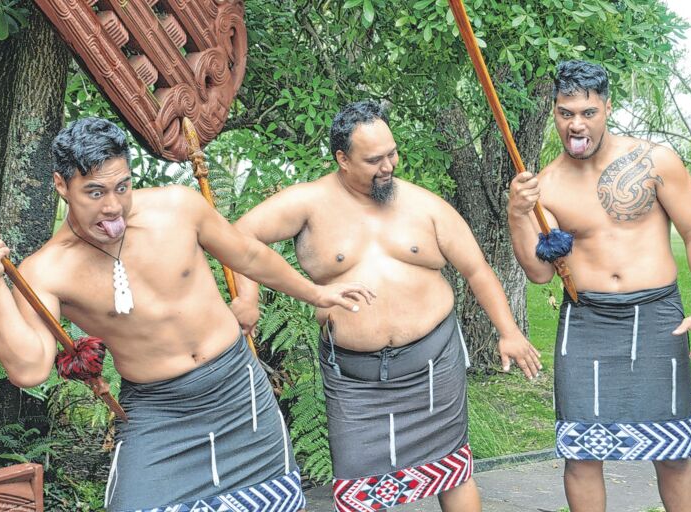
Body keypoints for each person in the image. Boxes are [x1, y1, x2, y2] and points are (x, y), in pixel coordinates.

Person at [0, 117, 375, 512]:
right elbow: (29, 369)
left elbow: (249, 256)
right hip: (157, 411)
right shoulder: (47, 271)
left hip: (236, 388)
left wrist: (316, 293)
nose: (113, 207)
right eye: (95, 193)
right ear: (61, 185)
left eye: (122, 187)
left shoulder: (177, 207)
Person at [231, 100, 541, 512]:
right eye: (373, 159)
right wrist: (247, 298)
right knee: (359, 487)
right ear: (342, 159)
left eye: (391, 153)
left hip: (433, 362)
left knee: (453, 468)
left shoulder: (425, 205)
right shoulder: (308, 204)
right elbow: (239, 237)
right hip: (353, 378)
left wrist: (509, 332)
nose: (388, 166)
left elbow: (477, 270)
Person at [507, 60, 691, 512]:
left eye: (588, 112)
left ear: (607, 107)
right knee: (581, 451)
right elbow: (541, 273)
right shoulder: (545, 186)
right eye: (566, 113)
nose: (576, 124)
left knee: (672, 450)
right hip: (586, 320)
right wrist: (517, 214)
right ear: (554, 112)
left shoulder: (654, 161)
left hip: (657, 315)